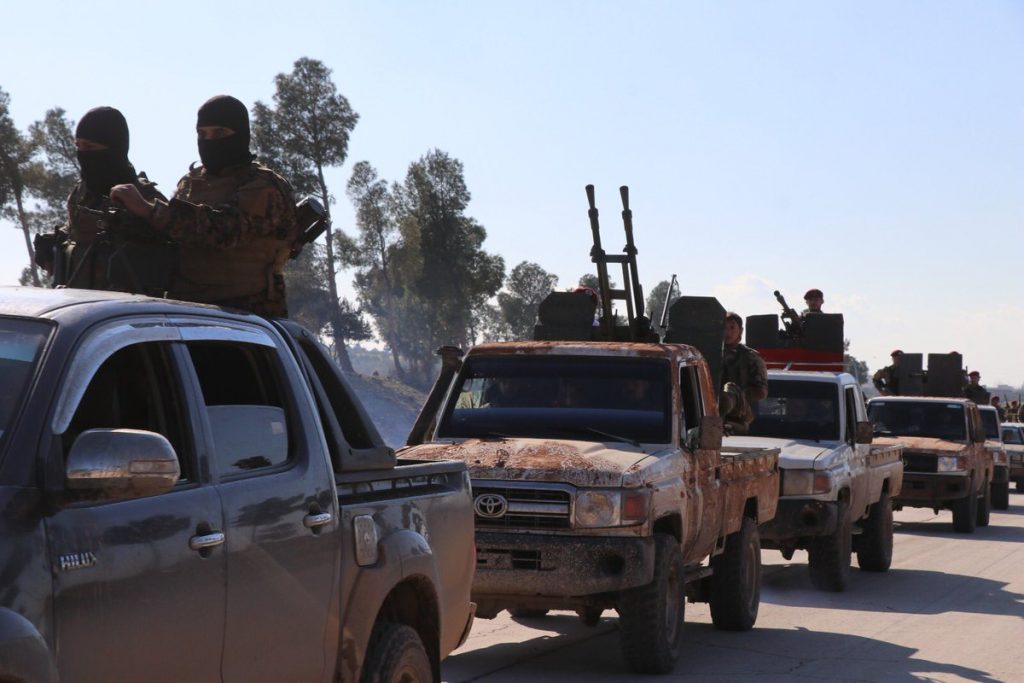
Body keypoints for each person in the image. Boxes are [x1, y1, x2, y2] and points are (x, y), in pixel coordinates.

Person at [112, 95, 300, 317]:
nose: (209, 141)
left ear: (241, 134)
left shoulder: (264, 186)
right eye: (202, 134)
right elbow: (175, 235)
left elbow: (224, 231)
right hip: (189, 311)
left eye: (219, 133)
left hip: (249, 317)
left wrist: (149, 209)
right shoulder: (191, 182)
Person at [41, 106, 167, 292]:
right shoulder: (82, 193)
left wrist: (140, 216)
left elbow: (173, 240)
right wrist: (52, 245)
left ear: (115, 149)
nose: (83, 154)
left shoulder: (144, 196)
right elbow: (74, 234)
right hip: (79, 302)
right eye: (79, 146)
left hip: (127, 306)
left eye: (90, 147)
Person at [719, 311, 768, 435]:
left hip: (740, 416)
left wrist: (739, 396)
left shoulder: (751, 357)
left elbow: (761, 391)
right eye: (724, 327)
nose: (727, 332)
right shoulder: (708, 354)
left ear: (740, 331)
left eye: (732, 327)